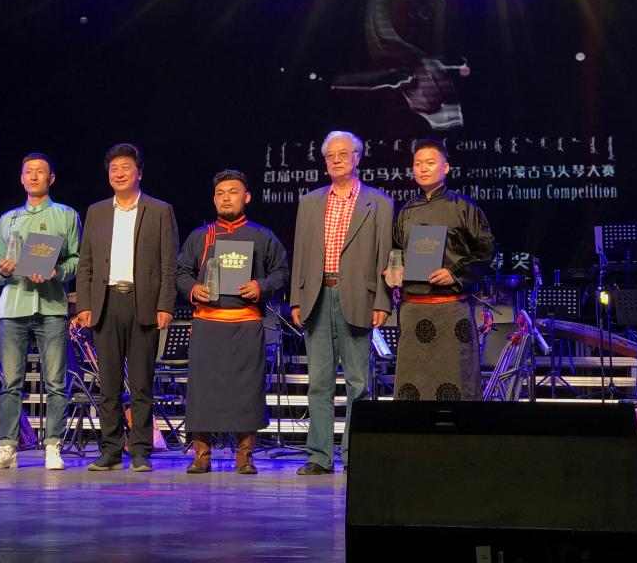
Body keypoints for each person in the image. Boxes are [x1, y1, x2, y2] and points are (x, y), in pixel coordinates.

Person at [289, 130, 393, 475]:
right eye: (330, 155)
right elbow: (301, 253)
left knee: (358, 383)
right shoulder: (310, 202)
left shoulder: (379, 202)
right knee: (318, 382)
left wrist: (382, 301)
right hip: (317, 297)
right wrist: (296, 298)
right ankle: (319, 455)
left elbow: (384, 254)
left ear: (357, 157)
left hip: (359, 298)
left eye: (343, 153)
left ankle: (354, 453)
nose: (335, 159)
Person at [176, 170, 289, 474]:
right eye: (220, 193)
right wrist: (193, 289)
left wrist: (260, 286)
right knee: (202, 391)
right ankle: (201, 455)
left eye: (233, 192)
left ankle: (245, 456)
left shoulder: (263, 236)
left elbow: (281, 273)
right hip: (207, 324)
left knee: (246, 392)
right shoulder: (200, 236)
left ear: (247, 197)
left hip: (246, 325)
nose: (226, 198)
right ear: (214, 199)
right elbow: (181, 272)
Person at [75, 143, 179, 472]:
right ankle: (110, 449)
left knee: (141, 384)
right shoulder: (97, 211)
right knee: (108, 384)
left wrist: (165, 305)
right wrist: (84, 304)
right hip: (105, 303)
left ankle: (140, 450)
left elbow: (169, 264)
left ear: (139, 173)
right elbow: (86, 263)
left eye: (126, 167)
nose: (119, 173)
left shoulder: (159, 210)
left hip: (142, 303)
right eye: (114, 168)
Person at [0, 152, 81, 470]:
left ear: (52, 178)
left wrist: (57, 272)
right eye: (29, 171)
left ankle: (53, 445)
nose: (34, 176)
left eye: (40, 172)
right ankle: (7, 447)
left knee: (55, 382)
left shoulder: (66, 215)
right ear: (21, 178)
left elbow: (78, 259)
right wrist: (4, 271)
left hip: (51, 307)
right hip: (14, 307)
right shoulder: (7, 220)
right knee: (11, 382)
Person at [387, 138, 494, 401]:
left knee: (455, 382)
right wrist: (394, 268)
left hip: (451, 309)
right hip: (413, 309)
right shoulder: (405, 210)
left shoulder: (464, 207)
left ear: (445, 168)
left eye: (430, 163)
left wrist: (454, 272)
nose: (423, 168)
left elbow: (486, 250)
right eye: (417, 164)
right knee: (413, 383)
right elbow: (395, 249)